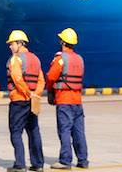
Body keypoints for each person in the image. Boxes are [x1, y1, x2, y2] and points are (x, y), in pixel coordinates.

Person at [45, 27, 88, 169]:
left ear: (63, 42)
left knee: (64, 130)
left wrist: (50, 93)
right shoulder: (79, 59)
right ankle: (83, 160)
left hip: (64, 100)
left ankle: (65, 160)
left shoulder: (60, 59)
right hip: (77, 101)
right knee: (79, 131)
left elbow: (51, 77)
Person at [5, 30, 46, 172]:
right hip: (32, 101)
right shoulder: (35, 59)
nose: (10, 47)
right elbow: (41, 80)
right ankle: (38, 164)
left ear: (20, 43)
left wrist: (28, 93)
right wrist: (36, 94)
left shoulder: (16, 59)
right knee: (34, 131)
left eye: (12, 44)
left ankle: (20, 164)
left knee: (16, 132)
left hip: (19, 100)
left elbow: (17, 78)